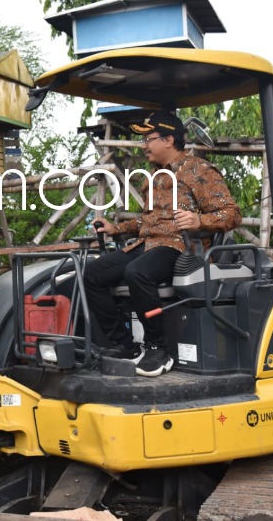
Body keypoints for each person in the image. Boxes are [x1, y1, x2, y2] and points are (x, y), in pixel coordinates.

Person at [88, 110, 241, 377]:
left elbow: (231, 214)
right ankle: (125, 346)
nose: (144, 145)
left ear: (169, 140)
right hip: (147, 245)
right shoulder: (155, 177)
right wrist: (117, 228)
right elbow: (147, 221)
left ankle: (158, 347)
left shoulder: (198, 170)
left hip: (183, 248)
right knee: (92, 274)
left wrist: (198, 221)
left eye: (149, 139)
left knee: (138, 272)